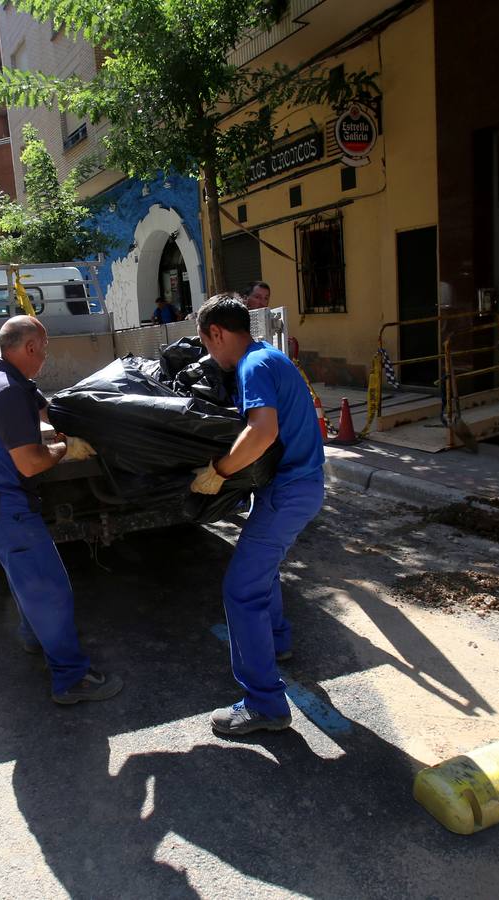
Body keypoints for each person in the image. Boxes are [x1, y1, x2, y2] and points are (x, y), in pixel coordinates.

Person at [0, 315, 123, 705]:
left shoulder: (8, 379)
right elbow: (31, 462)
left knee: (27, 579)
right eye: (45, 347)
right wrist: (66, 448)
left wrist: (85, 424)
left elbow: (47, 410)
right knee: (49, 589)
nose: (46, 355)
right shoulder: (6, 393)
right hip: (6, 509)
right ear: (30, 347)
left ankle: (34, 637)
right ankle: (71, 678)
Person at [189, 293, 325, 736]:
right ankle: (278, 641)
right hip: (298, 488)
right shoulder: (271, 356)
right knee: (261, 571)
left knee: (240, 589)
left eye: (209, 345)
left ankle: (265, 705)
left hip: (287, 491)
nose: (212, 355)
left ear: (217, 333)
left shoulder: (252, 366)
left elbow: (262, 431)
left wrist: (218, 471)